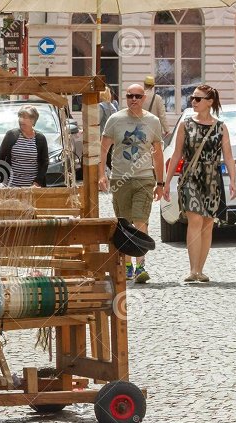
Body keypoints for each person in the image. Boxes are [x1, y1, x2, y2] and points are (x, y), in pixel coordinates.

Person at [163, 85, 236, 283]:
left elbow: (228, 157)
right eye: (192, 98)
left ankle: (201, 269)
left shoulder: (221, 127)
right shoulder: (185, 124)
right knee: (195, 220)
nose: (193, 102)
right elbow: (176, 153)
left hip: (212, 178)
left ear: (210, 102)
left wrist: (233, 181)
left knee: (208, 224)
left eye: (197, 99)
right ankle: (193, 269)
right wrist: (167, 181)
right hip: (191, 177)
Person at [99, 83, 165, 283]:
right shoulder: (115, 120)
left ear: (144, 98)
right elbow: (103, 149)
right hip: (120, 179)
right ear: (125, 98)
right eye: (129, 96)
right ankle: (127, 265)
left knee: (140, 221)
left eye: (137, 96)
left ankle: (140, 266)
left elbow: (158, 154)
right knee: (124, 223)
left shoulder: (152, 121)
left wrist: (160, 183)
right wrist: (101, 174)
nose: (133, 99)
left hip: (145, 178)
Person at [0, 105, 49, 187]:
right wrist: (2, 182)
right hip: (12, 187)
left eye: (25, 117)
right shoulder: (11, 135)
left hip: (33, 189)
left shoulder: (40, 138)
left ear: (33, 120)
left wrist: (37, 183)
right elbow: (1, 159)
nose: (21, 120)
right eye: (20, 117)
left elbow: (44, 163)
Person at [99, 87, 118, 171]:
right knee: (110, 159)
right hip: (113, 136)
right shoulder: (113, 106)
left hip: (103, 136)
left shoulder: (101, 106)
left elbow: (97, 122)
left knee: (103, 157)